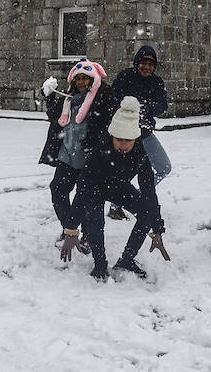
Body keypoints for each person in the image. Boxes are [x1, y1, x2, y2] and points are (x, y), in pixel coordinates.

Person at [62, 96, 170, 280]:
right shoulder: (100, 152)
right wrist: (71, 228)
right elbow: (83, 189)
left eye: (128, 140)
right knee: (96, 222)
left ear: (135, 138)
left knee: (146, 213)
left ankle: (127, 259)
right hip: (95, 188)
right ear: (112, 136)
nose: (123, 144)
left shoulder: (140, 153)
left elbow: (149, 192)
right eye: (118, 139)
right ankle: (100, 264)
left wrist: (157, 228)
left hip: (119, 187)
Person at [38, 59, 115, 249]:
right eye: (78, 78)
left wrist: (97, 143)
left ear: (93, 79)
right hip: (67, 156)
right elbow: (55, 118)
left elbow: (110, 124)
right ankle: (69, 229)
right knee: (58, 190)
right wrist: (49, 97)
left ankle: (88, 236)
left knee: (87, 199)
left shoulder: (103, 98)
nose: (81, 82)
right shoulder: (68, 98)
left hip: (90, 160)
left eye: (86, 78)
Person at [107, 44, 171, 220]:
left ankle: (131, 196)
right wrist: (130, 107)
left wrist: (147, 107)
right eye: (144, 62)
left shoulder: (157, 82)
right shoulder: (125, 77)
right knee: (124, 173)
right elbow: (114, 99)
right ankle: (115, 206)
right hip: (125, 136)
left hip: (145, 133)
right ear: (137, 63)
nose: (147, 67)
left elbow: (162, 105)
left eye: (151, 64)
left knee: (164, 167)